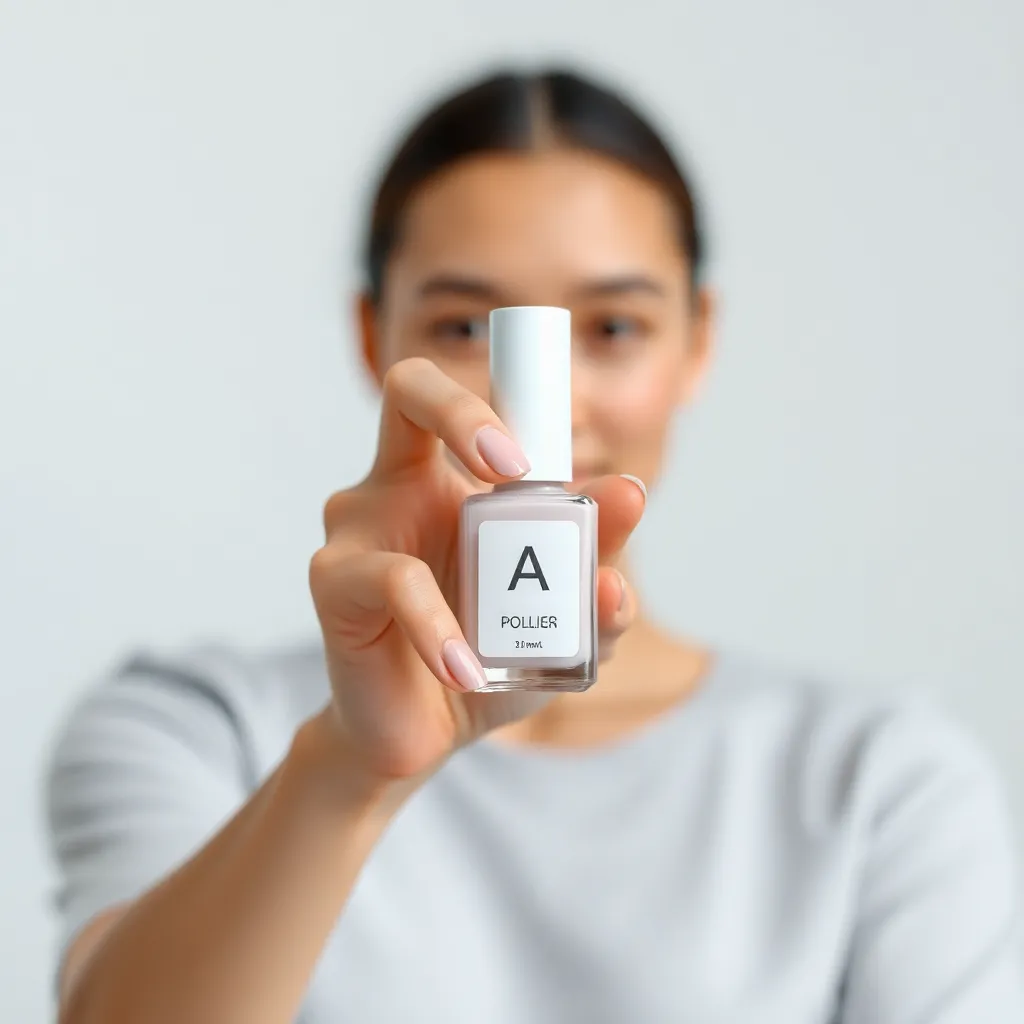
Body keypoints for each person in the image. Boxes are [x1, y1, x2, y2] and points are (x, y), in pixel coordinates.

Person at [46, 67, 1022, 1024]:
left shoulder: (878, 778)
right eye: (468, 323)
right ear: (371, 332)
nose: (539, 394)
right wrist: (349, 771)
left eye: (611, 326)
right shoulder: (201, 727)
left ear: (697, 340)